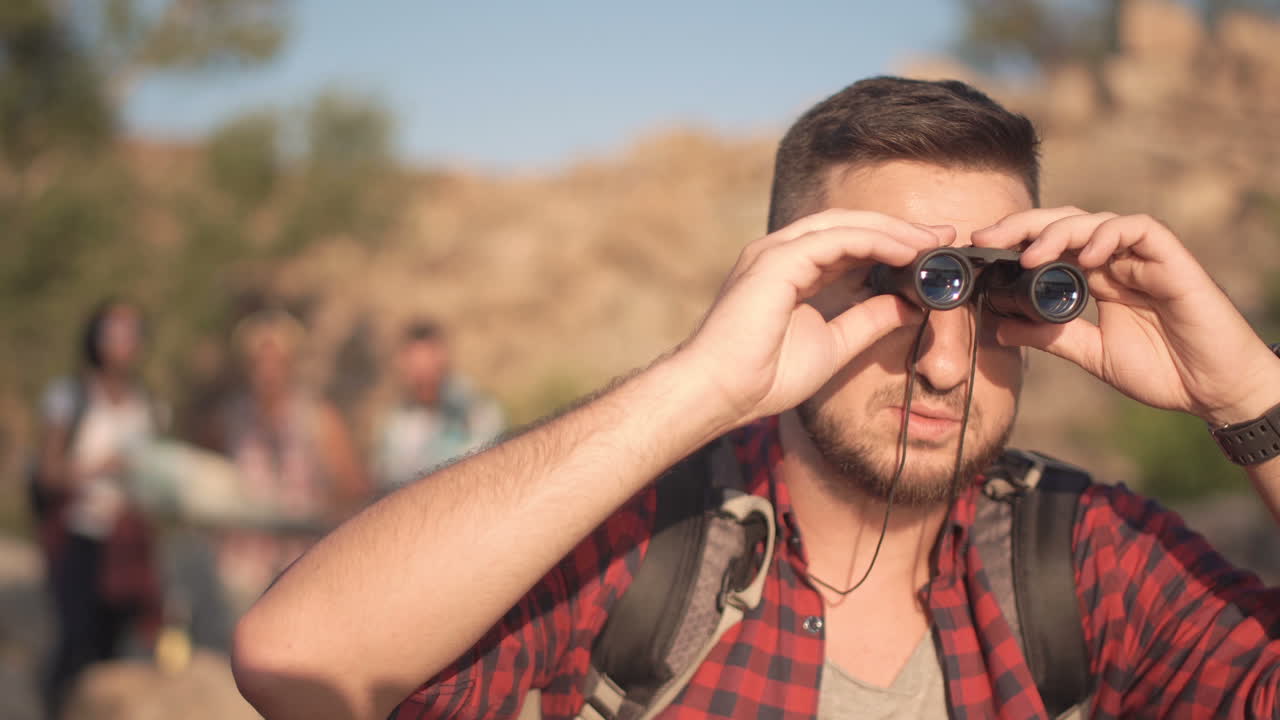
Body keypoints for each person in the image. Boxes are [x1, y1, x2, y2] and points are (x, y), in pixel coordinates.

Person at [230, 77, 1280, 720]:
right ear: (785, 286)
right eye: (890, 287)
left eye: (991, 294)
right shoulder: (648, 542)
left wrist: (1246, 394)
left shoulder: (1075, 554)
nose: (946, 364)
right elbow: (299, 662)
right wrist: (697, 384)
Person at [35, 299, 164, 716]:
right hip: (79, 539)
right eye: (115, 332)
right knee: (77, 641)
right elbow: (48, 472)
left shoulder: (146, 403)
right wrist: (98, 468)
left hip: (128, 543)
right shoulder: (70, 396)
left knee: (120, 645)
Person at [213, 308, 370, 611]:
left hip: (301, 561)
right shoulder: (229, 420)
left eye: (277, 361)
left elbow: (353, 487)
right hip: (243, 568)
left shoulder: (319, 418)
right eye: (260, 362)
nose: (268, 371)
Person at [372, 320, 506, 491]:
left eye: (429, 369)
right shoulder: (394, 426)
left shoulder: (478, 412)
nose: (424, 379)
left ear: (443, 360)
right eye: (417, 372)